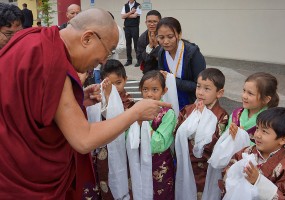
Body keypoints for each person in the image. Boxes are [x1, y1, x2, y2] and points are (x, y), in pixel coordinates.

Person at [0, 8, 171, 199]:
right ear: (87, 38)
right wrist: (135, 113)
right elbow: (83, 140)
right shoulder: (53, 64)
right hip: (26, 180)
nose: (104, 60)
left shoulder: (30, 40)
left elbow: (31, 100)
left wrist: (77, 99)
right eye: (108, 50)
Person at [222, 107, 285, 199]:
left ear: (283, 139)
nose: (257, 135)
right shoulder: (247, 151)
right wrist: (235, 172)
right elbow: (228, 171)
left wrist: (258, 181)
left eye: (264, 131)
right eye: (257, 128)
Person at [175, 68, 229, 199]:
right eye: (198, 87)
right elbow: (176, 132)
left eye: (207, 89)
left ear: (219, 93)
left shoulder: (221, 115)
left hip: (205, 167)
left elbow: (217, 143)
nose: (200, 92)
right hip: (186, 163)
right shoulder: (188, 110)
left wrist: (204, 120)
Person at [128, 70, 176, 199]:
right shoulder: (136, 109)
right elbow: (126, 134)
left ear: (164, 91)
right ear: (140, 90)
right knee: (140, 191)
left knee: (161, 193)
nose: (149, 94)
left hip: (160, 165)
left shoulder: (168, 114)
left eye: (155, 90)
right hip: (138, 160)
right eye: (145, 89)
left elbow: (159, 143)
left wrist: (140, 123)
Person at [92, 59, 135, 199]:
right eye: (111, 84)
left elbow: (124, 121)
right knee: (104, 181)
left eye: (119, 83)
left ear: (125, 80)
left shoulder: (129, 101)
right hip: (103, 152)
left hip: (122, 150)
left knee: (123, 180)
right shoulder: (99, 98)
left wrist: (111, 97)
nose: (115, 88)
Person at [157, 17, 206, 110]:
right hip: (170, 99)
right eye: (161, 37)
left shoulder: (192, 53)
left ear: (179, 35)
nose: (165, 42)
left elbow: (200, 85)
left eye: (170, 37)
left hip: (191, 103)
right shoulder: (162, 53)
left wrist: (172, 80)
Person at [226, 72, 279, 143]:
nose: (244, 96)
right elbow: (224, 136)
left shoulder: (270, 123)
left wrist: (240, 138)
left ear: (266, 99)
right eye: (244, 91)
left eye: (250, 93)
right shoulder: (236, 114)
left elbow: (267, 147)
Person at [94, 12, 126, 84]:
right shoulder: (95, 29)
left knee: (112, 86)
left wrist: (110, 51)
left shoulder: (117, 30)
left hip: (112, 64)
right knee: (99, 85)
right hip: (97, 65)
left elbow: (122, 46)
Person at [136, 10, 162, 74]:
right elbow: (140, 60)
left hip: (163, 70)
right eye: (149, 21)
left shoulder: (165, 36)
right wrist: (150, 46)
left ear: (160, 22)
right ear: (146, 22)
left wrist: (156, 46)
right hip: (148, 72)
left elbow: (167, 58)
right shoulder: (142, 38)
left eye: (155, 22)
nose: (152, 24)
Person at [121, 0, 142, 67]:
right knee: (128, 44)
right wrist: (131, 12)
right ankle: (129, 60)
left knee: (136, 44)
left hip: (135, 27)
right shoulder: (125, 5)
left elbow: (135, 16)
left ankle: (139, 60)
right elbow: (122, 16)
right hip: (127, 27)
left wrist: (126, 15)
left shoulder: (139, 5)